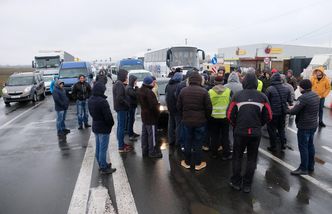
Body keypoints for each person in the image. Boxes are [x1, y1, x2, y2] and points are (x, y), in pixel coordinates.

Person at [227, 71, 272, 193]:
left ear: (244, 82)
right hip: (255, 133)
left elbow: (229, 115)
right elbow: (269, 116)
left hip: (240, 132)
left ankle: (236, 182)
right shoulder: (262, 96)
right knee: (252, 158)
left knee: (237, 157)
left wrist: (236, 125)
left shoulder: (237, 96)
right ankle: (247, 185)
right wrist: (259, 124)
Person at [177, 72, 212, 171]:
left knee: (187, 141)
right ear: (200, 80)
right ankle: (198, 163)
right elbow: (209, 108)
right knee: (198, 142)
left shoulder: (183, 91)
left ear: (189, 80)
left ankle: (187, 162)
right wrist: (206, 118)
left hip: (187, 121)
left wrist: (183, 116)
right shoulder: (204, 91)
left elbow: (178, 106)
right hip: (200, 122)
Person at [287, 79, 320, 175]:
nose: (299, 88)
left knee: (303, 147)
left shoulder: (303, 98)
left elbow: (294, 111)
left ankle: (303, 168)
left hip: (304, 126)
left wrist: (286, 110)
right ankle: (311, 165)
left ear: (303, 87)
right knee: (310, 145)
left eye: (300, 86)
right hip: (313, 124)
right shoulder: (315, 95)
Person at [88, 82, 116, 175]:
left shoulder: (91, 99)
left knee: (99, 147)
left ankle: (101, 163)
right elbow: (108, 116)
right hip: (103, 127)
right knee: (103, 148)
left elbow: (91, 113)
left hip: (96, 125)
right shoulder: (102, 101)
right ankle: (103, 167)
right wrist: (111, 124)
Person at [265, 72, 293, 152]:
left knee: (272, 130)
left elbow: (266, 102)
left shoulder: (269, 89)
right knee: (281, 128)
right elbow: (290, 101)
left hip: (273, 113)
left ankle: (273, 146)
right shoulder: (286, 88)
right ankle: (283, 144)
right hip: (283, 112)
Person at [208, 76, 232, 160]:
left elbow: (208, 105)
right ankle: (226, 154)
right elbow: (230, 103)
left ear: (214, 82)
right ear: (223, 82)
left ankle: (214, 153)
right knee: (225, 136)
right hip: (225, 117)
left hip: (214, 117)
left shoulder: (210, 92)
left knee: (214, 136)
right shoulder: (228, 91)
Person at [137, 76, 162, 158]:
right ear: (149, 83)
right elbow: (154, 106)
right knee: (152, 135)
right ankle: (152, 152)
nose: (154, 83)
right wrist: (158, 111)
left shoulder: (140, 90)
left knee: (144, 134)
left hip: (144, 115)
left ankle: (145, 150)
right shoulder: (149, 92)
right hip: (151, 117)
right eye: (152, 82)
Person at [113, 69, 132, 153]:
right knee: (121, 127)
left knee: (120, 126)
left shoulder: (118, 83)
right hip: (121, 108)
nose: (127, 77)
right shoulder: (119, 84)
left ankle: (122, 143)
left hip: (119, 108)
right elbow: (119, 98)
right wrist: (127, 104)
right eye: (126, 75)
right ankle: (121, 146)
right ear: (122, 75)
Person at [165, 72, 183, 145]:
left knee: (171, 125)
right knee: (178, 125)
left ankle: (171, 140)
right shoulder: (179, 86)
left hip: (170, 108)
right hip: (176, 108)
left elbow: (166, 96)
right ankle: (178, 142)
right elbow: (178, 98)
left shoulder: (168, 85)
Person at [126, 75, 140, 141]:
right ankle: (130, 135)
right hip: (130, 106)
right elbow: (135, 95)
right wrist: (137, 88)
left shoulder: (131, 87)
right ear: (133, 81)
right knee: (130, 120)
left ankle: (132, 132)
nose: (136, 82)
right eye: (135, 80)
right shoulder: (129, 88)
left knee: (132, 120)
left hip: (133, 106)